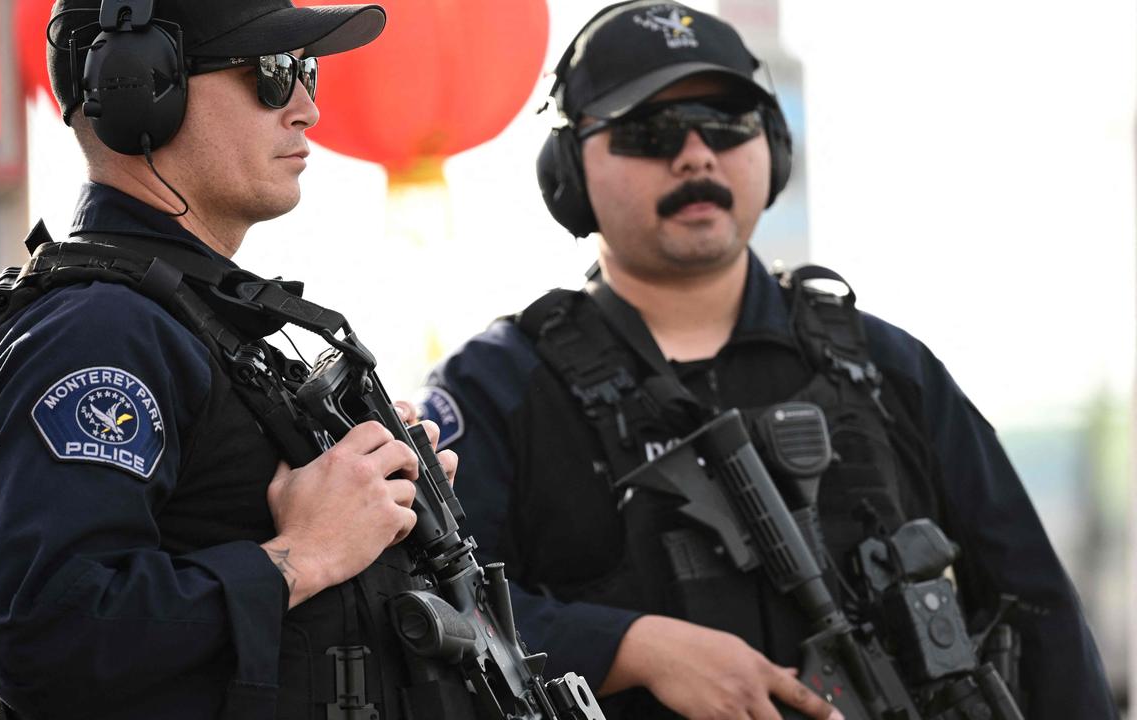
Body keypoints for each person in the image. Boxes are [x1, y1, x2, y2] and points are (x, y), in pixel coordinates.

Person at [419, 2, 1118, 719]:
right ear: (567, 169)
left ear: (774, 146)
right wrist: (629, 648)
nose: (696, 154)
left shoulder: (886, 367)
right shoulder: (495, 388)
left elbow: (1040, 613)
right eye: (648, 131)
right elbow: (428, 615)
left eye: (727, 124)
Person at [0, 1, 492, 717]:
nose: (304, 108)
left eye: (307, 72)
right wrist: (302, 556)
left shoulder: (193, 322)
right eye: (270, 73)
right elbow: (41, 634)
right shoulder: (100, 332)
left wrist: (375, 509)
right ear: (142, 88)